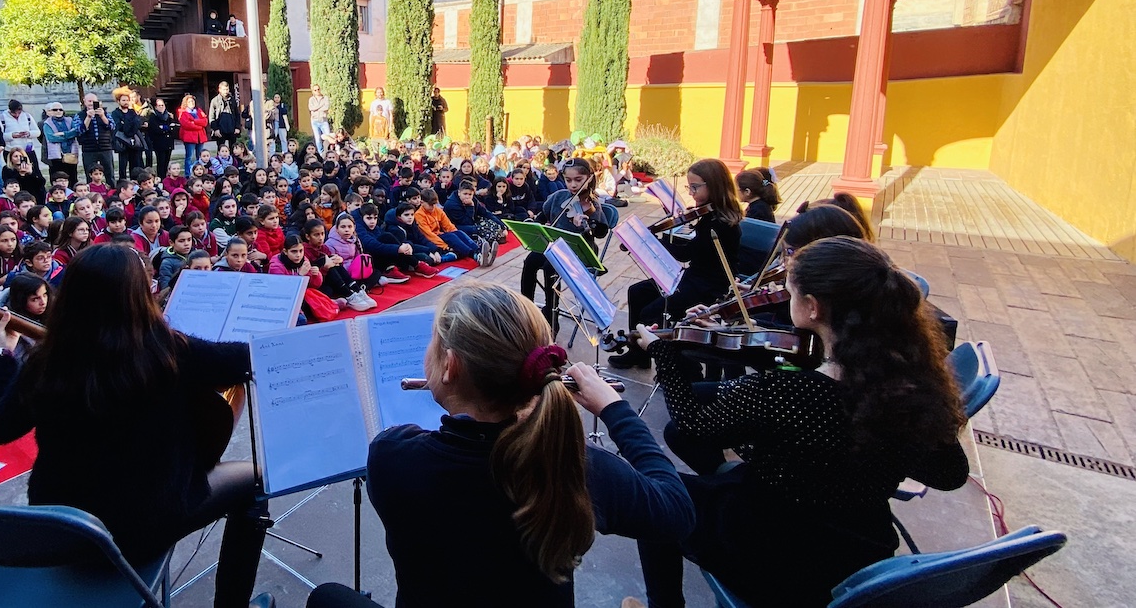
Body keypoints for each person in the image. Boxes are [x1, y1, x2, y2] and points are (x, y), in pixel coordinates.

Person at [631, 236, 969, 607]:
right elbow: (949, 474)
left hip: (779, 553)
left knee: (653, 495)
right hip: (858, 552)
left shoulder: (788, 392)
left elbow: (692, 425)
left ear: (812, 308)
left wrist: (664, 353)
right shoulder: (909, 385)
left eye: (789, 295)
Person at [362, 283, 693, 607]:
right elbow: (677, 512)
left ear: (450, 366)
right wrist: (615, 410)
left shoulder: (391, 456)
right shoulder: (572, 466)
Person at [0, 245, 272, 608]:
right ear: (137, 297)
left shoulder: (47, 362)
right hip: (140, 530)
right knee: (256, 478)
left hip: (60, 526)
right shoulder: (167, 351)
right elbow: (246, 359)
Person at [613, 158, 743, 369]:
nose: (690, 193)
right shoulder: (708, 214)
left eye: (695, 187)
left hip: (708, 285)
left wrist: (652, 240)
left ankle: (668, 363)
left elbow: (685, 254)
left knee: (650, 312)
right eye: (688, 187)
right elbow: (694, 248)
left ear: (714, 186)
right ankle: (638, 353)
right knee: (637, 292)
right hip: (694, 277)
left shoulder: (720, 223)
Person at [519, 158, 616, 328]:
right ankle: (526, 308)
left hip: (578, 253)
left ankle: (551, 315)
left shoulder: (592, 203)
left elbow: (601, 232)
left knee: (551, 266)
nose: (573, 185)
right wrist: (535, 223)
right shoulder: (558, 197)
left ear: (590, 178)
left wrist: (588, 226)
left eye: (578, 180)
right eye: (568, 180)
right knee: (530, 261)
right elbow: (543, 216)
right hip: (555, 247)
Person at [40, 102, 81, 185]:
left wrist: (63, 134)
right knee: (57, 177)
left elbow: (75, 132)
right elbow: (51, 138)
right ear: (50, 111)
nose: (58, 111)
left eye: (60, 109)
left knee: (72, 177)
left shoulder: (69, 120)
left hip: (71, 154)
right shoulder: (47, 123)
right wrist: (68, 136)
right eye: (55, 109)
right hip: (56, 156)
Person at [112, 92, 146, 180]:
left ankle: (134, 182)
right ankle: (122, 182)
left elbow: (137, 124)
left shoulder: (132, 112)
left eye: (127, 100)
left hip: (133, 142)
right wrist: (130, 124)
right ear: (118, 101)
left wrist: (128, 124)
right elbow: (118, 126)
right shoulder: (115, 113)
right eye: (123, 100)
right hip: (122, 142)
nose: (126, 102)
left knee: (135, 164)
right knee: (122, 165)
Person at [146, 98, 178, 179]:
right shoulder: (153, 117)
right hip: (159, 143)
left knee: (167, 162)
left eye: (162, 105)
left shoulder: (169, 116)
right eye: (159, 105)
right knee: (161, 162)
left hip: (169, 143)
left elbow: (174, 128)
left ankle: (165, 178)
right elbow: (155, 129)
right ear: (156, 107)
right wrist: (167, 129)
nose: (161, 107)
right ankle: (161, 178)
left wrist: (164, 128)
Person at [178, 94, 210, 176]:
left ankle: (200, 173)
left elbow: (205, 122)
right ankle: (188, 175)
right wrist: (199, 125)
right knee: (189, 157)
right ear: (186, 103)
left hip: (200, 137)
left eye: (192, 101)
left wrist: (194, 121)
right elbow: (186, 125)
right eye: (189, 101)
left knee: (200, 157)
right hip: (189, 138)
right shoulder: (182, 112)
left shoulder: (199, 111)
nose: (191, 103)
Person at [208, 81, 243, 150]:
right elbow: (211, 117)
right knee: (221, 149)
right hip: (220, 130)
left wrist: (237, 127)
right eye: (224, 89)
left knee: (234, 149)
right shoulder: (214, 101)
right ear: (219, 89)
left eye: (227, 89)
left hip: (232, 129)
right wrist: (215, 129)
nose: (226, 91)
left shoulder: (232, 100)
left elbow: (237, 114)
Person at [307, 84, 331, 151]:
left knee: (328, 137)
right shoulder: (311, 99)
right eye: (315, 90)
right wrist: (321, 106)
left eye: (318, 89)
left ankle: (327, 151)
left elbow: (326, 107)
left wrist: (316, 109)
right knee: (318, 139)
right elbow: (311, 108)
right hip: (314, 121)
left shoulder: (325, 98)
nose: (317, 91)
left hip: (323, 120)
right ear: (313, 91)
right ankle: (321, 153)